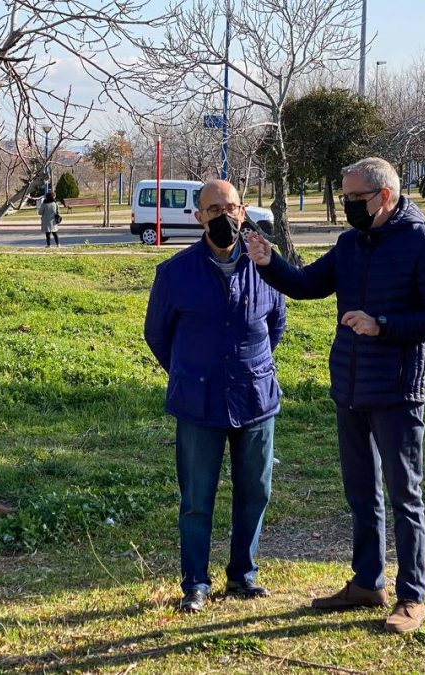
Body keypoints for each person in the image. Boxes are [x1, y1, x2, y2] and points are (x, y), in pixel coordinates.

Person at [246, 157, 425, 633]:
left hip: (398, 390)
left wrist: (381, 326)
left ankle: (412, 595)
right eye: (343, 198)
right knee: (361, 495)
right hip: (350, 386)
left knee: (404, 496)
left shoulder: (424, 244)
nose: (347, 207)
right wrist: (269, 262)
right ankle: (367, 582)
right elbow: (306, 285)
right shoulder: (350, 244)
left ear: (385, 196)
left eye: (354, 199)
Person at [144, 179, 286, 613]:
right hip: (198, 403)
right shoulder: (175, 272)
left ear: (242, 211)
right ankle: (195, 584)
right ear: (199, 216)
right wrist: (190, 371)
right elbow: (157, 334)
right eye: (213, 209)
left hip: (256, 399)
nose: (223, 216)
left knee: (255, 491)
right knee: (197, 499)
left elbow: (275, 325)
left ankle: (243, 575)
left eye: (231, 207)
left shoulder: (266, 266)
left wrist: (248, 369)